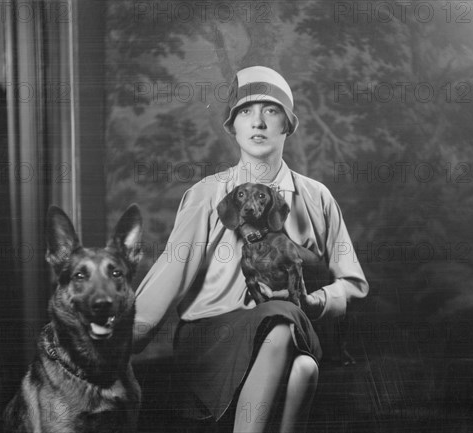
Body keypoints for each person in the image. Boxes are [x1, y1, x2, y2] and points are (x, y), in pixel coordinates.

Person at [132, 66, 368, 432]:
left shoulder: (316, 197)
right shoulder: (208, 195)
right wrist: (120, 340)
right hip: (212, 336)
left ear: (288, 124)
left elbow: (352, 283)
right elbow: (170, 274)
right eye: (245, 111)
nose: (257, 122)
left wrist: (316, 301)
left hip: (292, 322)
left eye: (270, 110)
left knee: (281, 321)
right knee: (299, 360)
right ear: (234, 126)